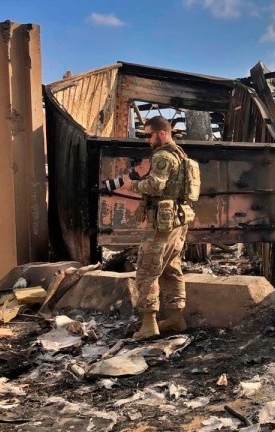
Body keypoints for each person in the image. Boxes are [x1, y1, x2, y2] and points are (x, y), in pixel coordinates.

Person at [114, 116, 193, 341]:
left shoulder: (163, 155)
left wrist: (133, 185)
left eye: (149, 135)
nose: (147, 140)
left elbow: (155, 185)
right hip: (177, 221)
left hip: (163, 224)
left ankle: (149, 324)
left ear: (162, 133)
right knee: (171, 269)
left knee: (147, 270)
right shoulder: (181, 154)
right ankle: (176, 318)